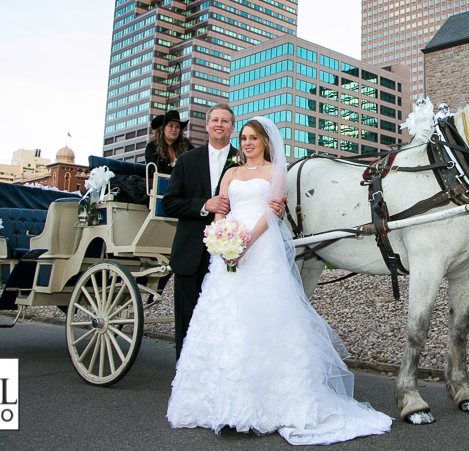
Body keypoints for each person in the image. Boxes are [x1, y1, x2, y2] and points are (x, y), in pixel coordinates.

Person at [167, 117, 392, 445]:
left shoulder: (275, 172)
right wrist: (221, 239)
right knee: (226, 322)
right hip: (228, 253)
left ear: (264, 142)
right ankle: (220, 402)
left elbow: (272, 212)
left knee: (263, 321)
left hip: (260, 247)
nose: (247, 143)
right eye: (243, 138)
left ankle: (266, 401)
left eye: (253, 138)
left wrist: (245, 242)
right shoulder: (231, 173)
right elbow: (221, 209)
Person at [162, 104, 286, 358]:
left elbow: (271, 203)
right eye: (214, 120)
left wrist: (277, 211)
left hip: (248, 246)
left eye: (225, 121)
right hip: (194, 249)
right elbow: (169, 203)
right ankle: (187, 371)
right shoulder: (187, 160)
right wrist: (204, 206)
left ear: (231, 128)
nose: (219, 124)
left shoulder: (240, 159)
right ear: (207, 125)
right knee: (193, 319)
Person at [145, 109, 194, 174]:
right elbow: (154, 171)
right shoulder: (152, 147)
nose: (174, 130)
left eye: (177, 127)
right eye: (171, 126)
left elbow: (196, 158)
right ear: (163, 128)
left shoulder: (186, 144)